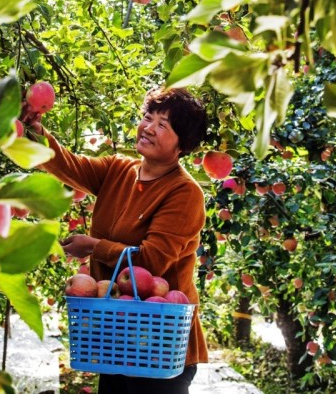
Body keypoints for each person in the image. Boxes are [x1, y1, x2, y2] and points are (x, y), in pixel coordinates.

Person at [21, 86, 209, 394]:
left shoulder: (184, 193)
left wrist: (94, 247)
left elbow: (151, 261)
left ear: (182, 145)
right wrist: (36, 131)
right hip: (117, 336)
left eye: (163, 125)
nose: (149, 127)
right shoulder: (118, 170)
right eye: (148, 117)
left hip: (159, 343)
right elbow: (68, 165)